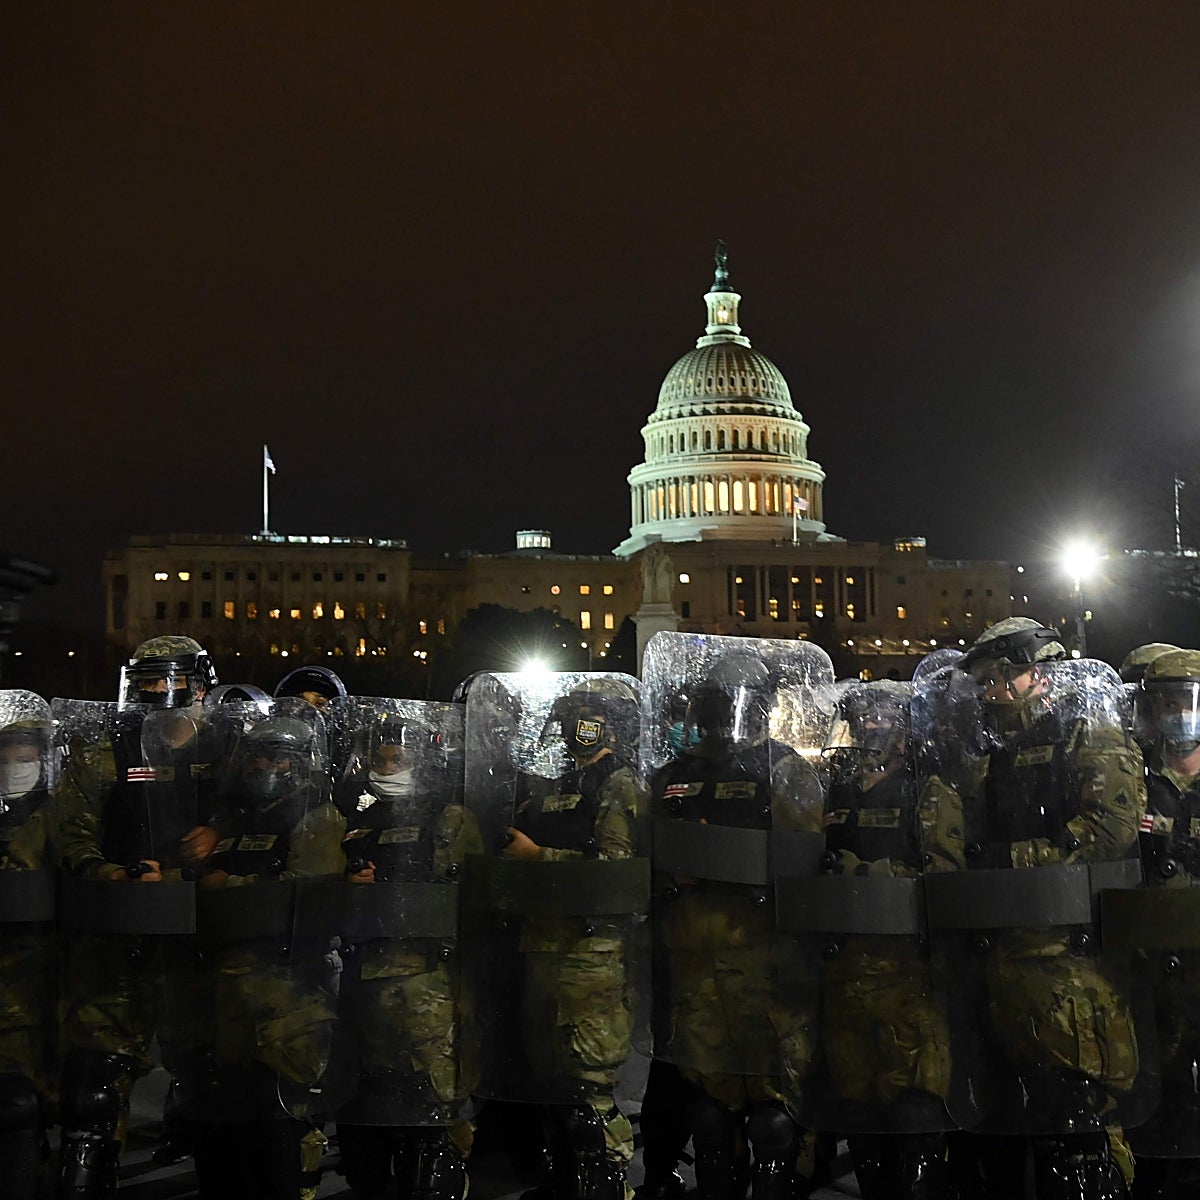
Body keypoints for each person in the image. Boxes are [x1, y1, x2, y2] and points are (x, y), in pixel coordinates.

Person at [919, 617, 1146, 1199]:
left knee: (1073, 1130)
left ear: (1032, 674)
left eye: (996, 678)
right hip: (996, 964)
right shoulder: (984, 754)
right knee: (1000, 1138)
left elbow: (1110, 830)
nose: (988, 693)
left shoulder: (1086, 736)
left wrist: (1006, 860)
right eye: (982, 683)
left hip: (1065, 968)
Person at [646, 635, 831, 1200]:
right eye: (709, 700)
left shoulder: (784, 771)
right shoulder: (672, 775)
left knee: (772, 1113)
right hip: (695, 965)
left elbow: (805, 862)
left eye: (726, 700)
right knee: (707, 1110)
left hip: (763, 962)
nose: (716, 712)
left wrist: (724, 859)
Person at [54, 634, 227, 1198]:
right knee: (97, 1080)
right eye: (148, 688)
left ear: (201, 688)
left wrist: (219, 839)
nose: (160, 699)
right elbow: (73, 833)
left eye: (171, 687)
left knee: (213, 1074)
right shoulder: (105, 751)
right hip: (123, 924)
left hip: (205, 930)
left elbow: (271, 817)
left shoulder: (231, 751)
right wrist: (117, 877)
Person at [465, 673, 649, 1200]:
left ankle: (606, 1185)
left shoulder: (620, 783)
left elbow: (614, 868)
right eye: (566, 717)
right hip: (541, 945)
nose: (571, 727)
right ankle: (566, 1179)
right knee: (549, 1079)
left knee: (587, 1083)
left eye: (582, 716)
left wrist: (537, 858)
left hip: (590, 953)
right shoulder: (561, 784)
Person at [188, 703, 343, 1200]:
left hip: (289, 993)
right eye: (257, 756)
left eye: (280, 758)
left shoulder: (318, 817)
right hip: (226, 993)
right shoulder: (233, 819)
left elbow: (305, 896)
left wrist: (224, 884)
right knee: (228, 1131)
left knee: (283, 1124)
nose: (265, 768)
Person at [330, 698, 480, 1200]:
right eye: (381, 755)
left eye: (400, 756)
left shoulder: (446, 813)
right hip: (361, 976)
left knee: (431, 1110)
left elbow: (462, 890)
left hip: (427, 981)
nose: (388, 764)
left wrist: (388, 882)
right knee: (370, 1113)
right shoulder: (346, 808)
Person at [808, 681, 952, 1198]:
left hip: (908, 980)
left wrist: (861, 874)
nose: (869, 725)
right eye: (860, 716)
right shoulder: (836, 787)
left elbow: (942, 870)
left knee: (915, 1109)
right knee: (860, 1113)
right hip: (845, 974)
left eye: (880, 716)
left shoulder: (927, 788)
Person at [1117, 649, 1200, 1197]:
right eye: (1166, 702)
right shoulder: (1137, 781)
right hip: (1152, 966)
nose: (1177, 713)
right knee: (1159, 1091)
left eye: (1185, 701)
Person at [0, 691, 60, 1198]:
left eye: (27, 754)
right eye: (7, 754)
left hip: (39, 971)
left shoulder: (58, 814)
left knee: (22, 1099)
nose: (17, 765)